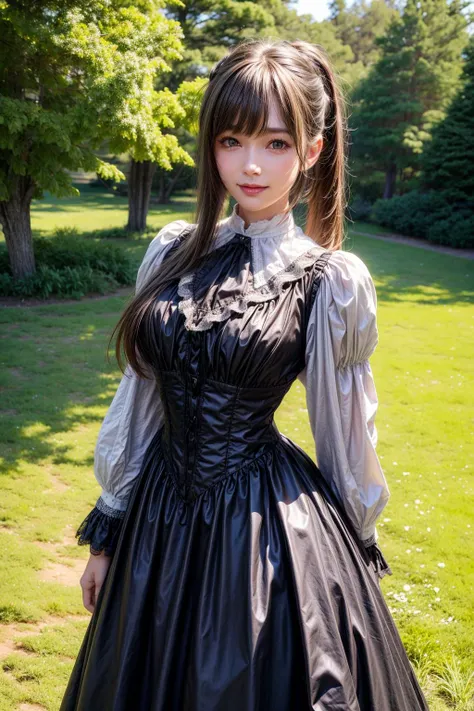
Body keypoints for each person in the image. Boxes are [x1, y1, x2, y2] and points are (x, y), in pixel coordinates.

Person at [60, 38, 429, 711]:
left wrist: (358, 550)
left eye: (277, 143)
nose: (251, 164)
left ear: (312, 151)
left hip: (264, 536)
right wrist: (108, 534)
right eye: (232, 139)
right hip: (156, 525)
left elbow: (343, 428)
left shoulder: (328, 280)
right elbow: (139, 399)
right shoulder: (173, 250)